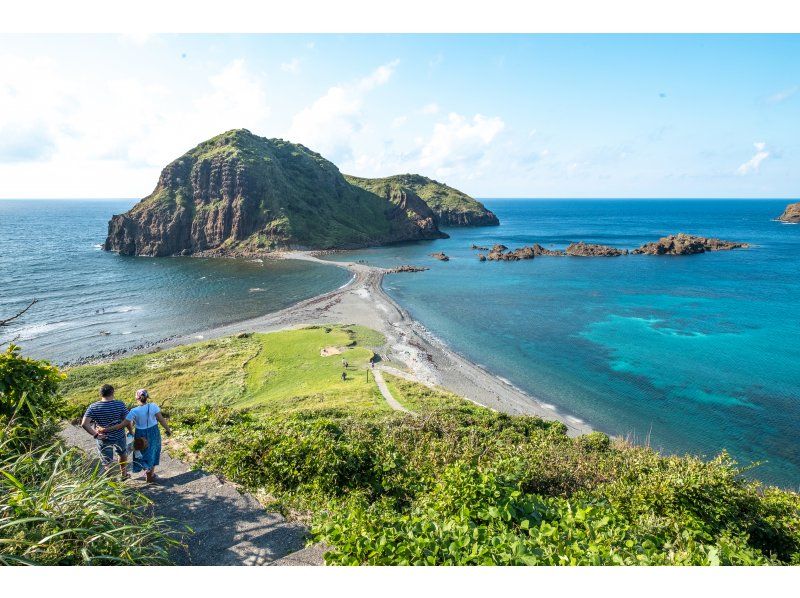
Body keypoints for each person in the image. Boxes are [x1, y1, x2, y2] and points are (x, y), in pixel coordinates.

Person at [101, 389, 171, 484]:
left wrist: (105, 429)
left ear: (136, 398)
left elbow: (122, 424)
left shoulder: (134, 411)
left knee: (141, 453)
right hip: (154, 432)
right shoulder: (153, 406)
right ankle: (150, 476)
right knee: (153, 451)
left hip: (140, 433)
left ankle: (146, 469)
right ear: (147, 397)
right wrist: (168, 430)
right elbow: (161, 420)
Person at [81, 384, 131, 479]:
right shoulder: (120, 404)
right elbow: (127, 420)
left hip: (103, 439)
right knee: (122, 454)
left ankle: (111, 481)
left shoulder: (93, 407)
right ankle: (124, 475)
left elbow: (84, 424)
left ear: (101, 394)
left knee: (107, 461)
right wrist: (130, 431)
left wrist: (96, 435)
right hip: (119, 436)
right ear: (112, 392)